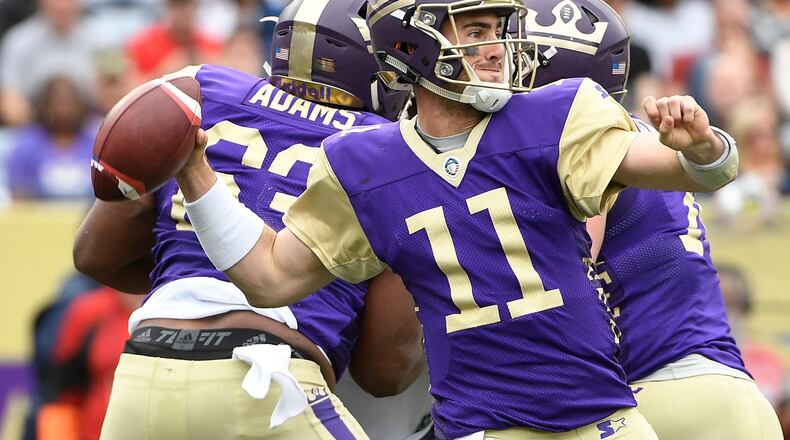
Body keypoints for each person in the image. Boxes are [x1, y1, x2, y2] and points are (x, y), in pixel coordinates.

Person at [174, 0, 739, 438]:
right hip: (480, 426)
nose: (497, 47)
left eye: (497, 28)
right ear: (411, 41)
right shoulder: (361, 164)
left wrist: (702, 147)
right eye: (475, 30)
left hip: (601, 419)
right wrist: (195, 174)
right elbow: (269, 278)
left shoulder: (555, 114)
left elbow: (695, 172)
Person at [73, 1, 423, 438]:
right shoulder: (392, 153)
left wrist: (196, 271)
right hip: (270, 380)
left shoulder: (201, 87)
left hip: (144, 368)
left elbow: (94, 254)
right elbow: (386, 371)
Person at [519, 0, 782, 438]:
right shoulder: (634, 134)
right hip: (724, 390)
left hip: (658, 393)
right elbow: (713, 164)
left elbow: (570, 277)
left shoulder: (582, 142)